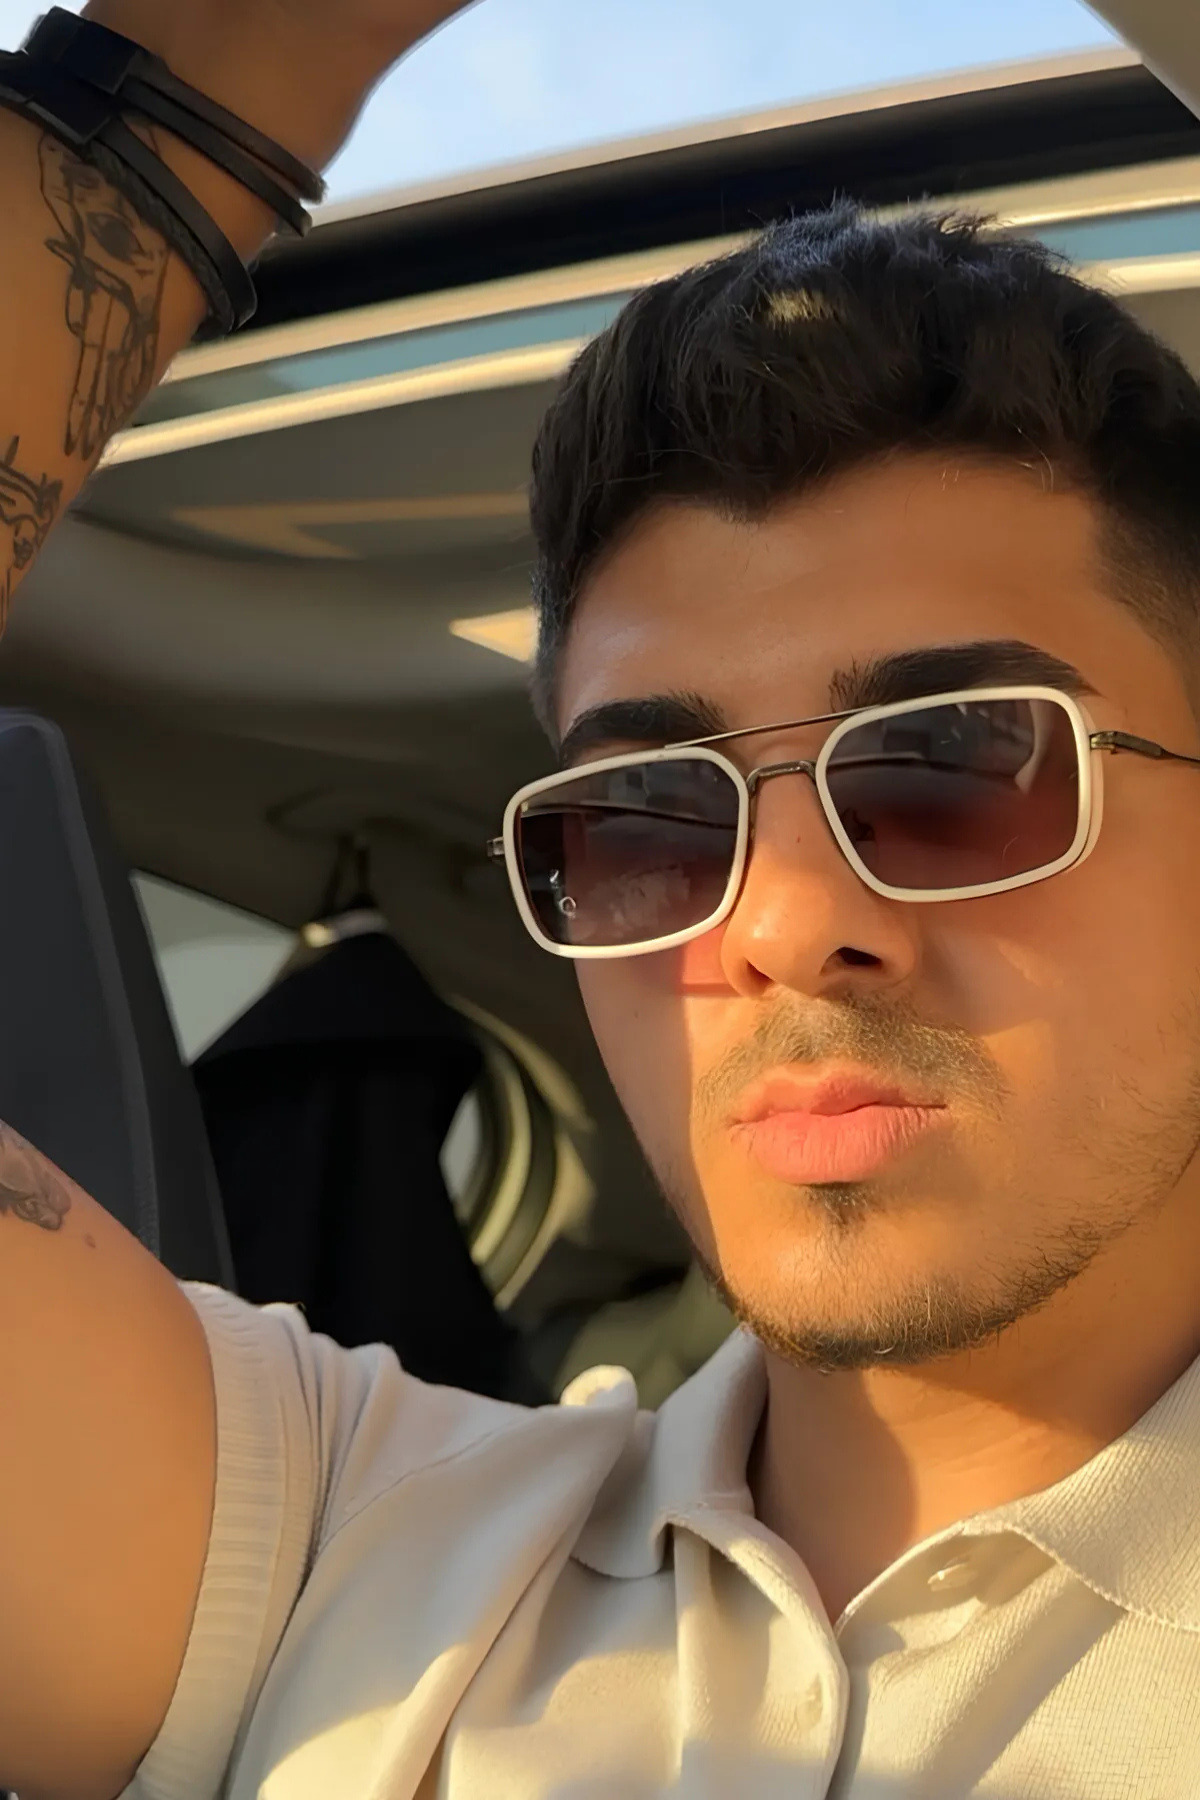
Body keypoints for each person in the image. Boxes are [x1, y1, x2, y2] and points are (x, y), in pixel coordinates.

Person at [4, 2, 1200, 1795]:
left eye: (953, 764)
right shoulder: (328, 1546)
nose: (780, 925)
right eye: (647, 819)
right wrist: (229, 62)